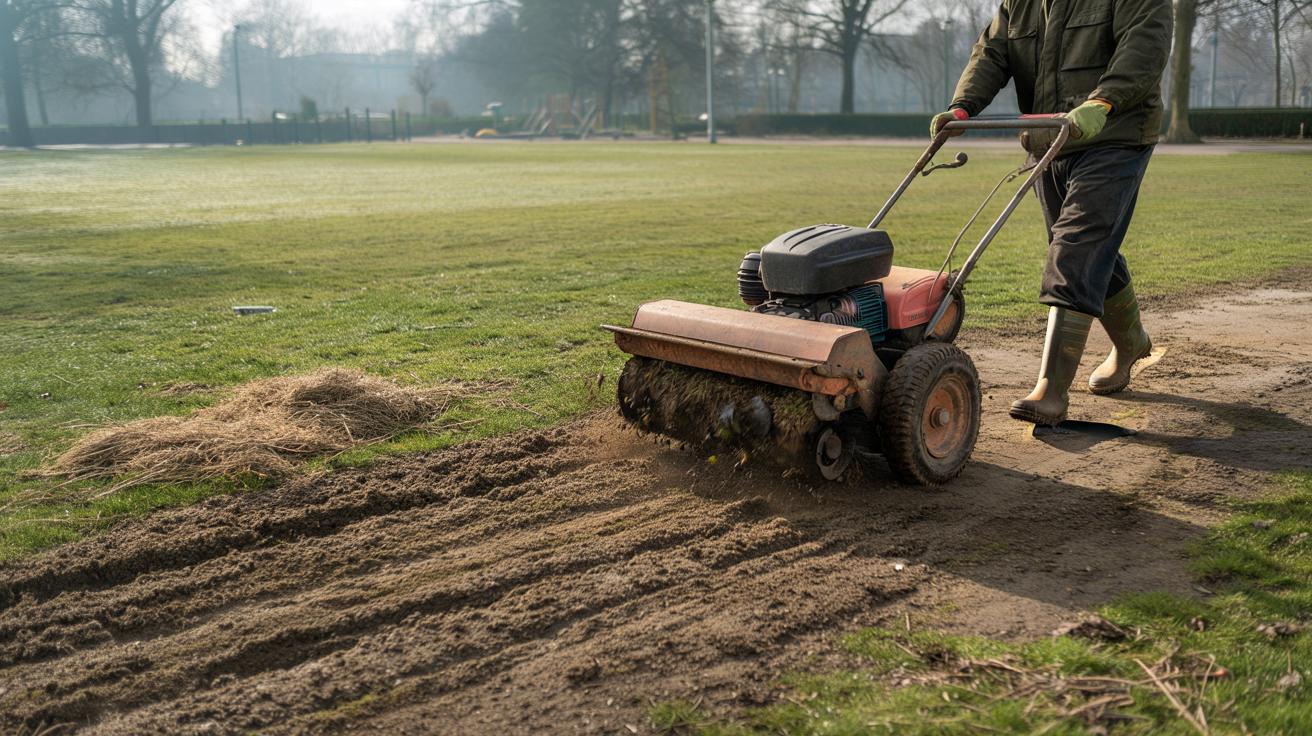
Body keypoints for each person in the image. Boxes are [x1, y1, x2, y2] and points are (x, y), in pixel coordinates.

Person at [930, 0, 1173, 426]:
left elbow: (1144, 48)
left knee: (1076, 248)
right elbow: (993, 51)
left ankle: (1052, 392)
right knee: (1087, 248)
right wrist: (963, 105)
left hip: (1114, 135)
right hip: (1051, 139)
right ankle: (1132, 342)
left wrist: (1103, 103)